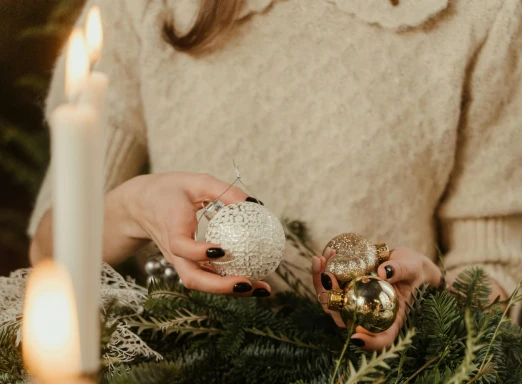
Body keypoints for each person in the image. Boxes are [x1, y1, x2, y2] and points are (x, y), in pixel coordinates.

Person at [29, 0, 522, 351]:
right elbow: (50, 253)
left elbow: (499, 269)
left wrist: (422, 299)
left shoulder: (483, 14)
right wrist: (131, 209)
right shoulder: (144, 7)